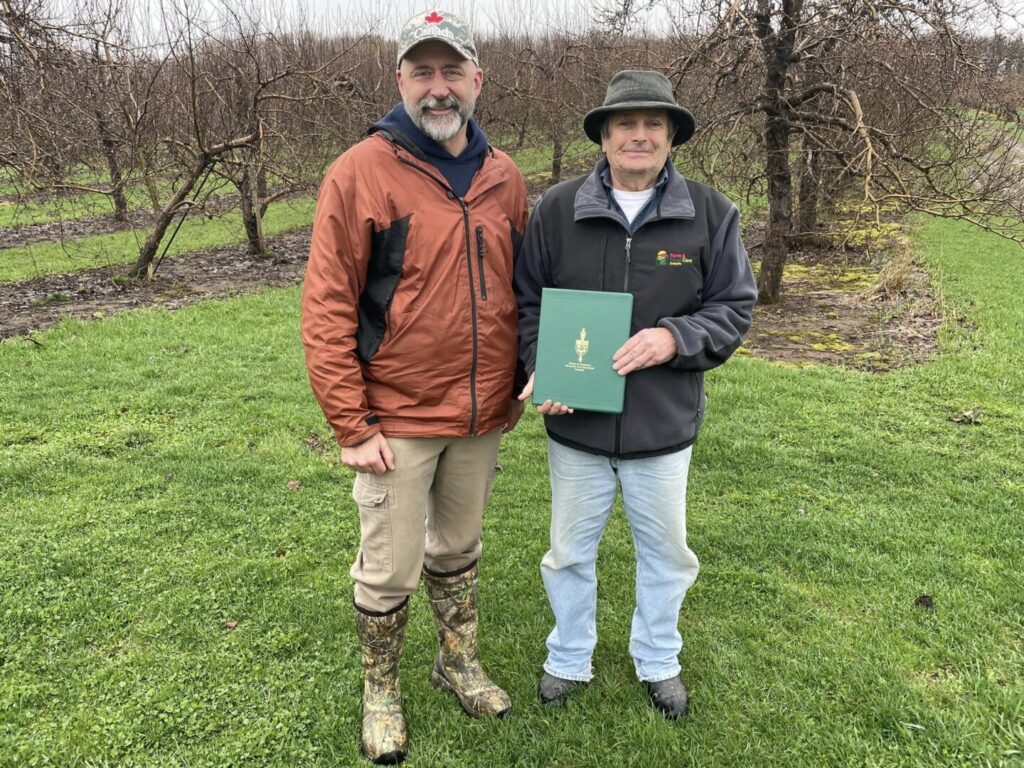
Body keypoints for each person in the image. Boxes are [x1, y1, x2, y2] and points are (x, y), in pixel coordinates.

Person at [301, 9, 528, 764]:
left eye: (452, 72)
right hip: (393, 417)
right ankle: (381, 691)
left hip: (481, 412)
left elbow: (526, 289)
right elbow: (329, 305)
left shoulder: (504, 177)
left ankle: (456, 661)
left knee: (458, 547)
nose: (439, 89)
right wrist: (351, 424)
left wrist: (533, 369)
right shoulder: (359, 171)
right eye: (422, 73)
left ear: (477, 81)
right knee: (388, 566)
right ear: (399, 80)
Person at [514, 70, 756, 719]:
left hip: (661, 429)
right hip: (578, 431)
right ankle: (568, 655)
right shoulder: (557, 210)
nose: (640, 135)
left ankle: (657, 659)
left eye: (654, 123)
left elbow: (734, 307)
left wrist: (673, 338)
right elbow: (529, 302)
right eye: (626, 124)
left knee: (667, 554)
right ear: (605, 135)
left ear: (672, 135)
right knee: (568, 552)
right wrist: (546, 367)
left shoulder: (710, 213)